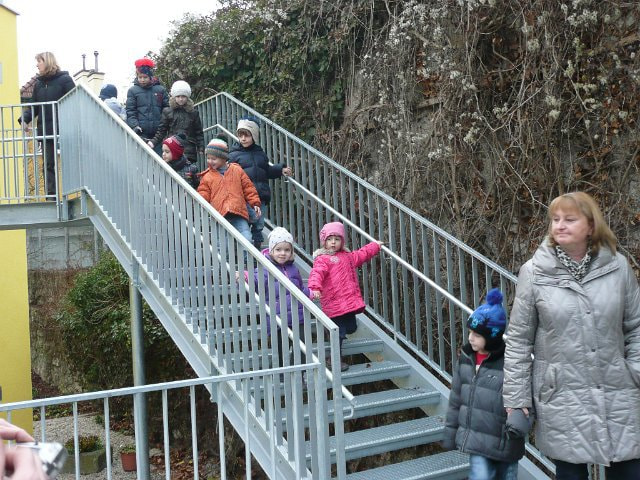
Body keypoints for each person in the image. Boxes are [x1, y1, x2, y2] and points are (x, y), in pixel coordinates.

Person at [503, 191, 640, 480]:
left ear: (591, 226)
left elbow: (636, 327)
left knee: (629, 471)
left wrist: (634, 371)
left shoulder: (618, 267)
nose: (560, 225)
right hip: (562, 397)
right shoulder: (534, 273)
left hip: (618, 393)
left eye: (569, 219)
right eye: (555, 219)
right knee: (571, 474)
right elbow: (519, 341)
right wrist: (517, 399)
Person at [443, 288, 527, 480]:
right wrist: (450, 433)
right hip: (477, 444)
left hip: (506, 443)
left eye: (477, 334)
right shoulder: (466, 359)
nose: (470, 338)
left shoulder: (511, 364)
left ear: (492, 337)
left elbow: (525, 400)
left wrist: (520, 424)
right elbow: (456, 399)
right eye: (470, 332)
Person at [307, 221, 382, 371]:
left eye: (337, 239)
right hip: (333, 303)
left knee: (352, 327)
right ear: (324, 242)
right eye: (329, 239)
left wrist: (375, 246)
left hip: (348, 303)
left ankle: (331, 332)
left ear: (342, 241)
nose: (333, 242)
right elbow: (317, 274)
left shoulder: (347, 257)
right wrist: (315, 288)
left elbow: (362, 254)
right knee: (339, 333)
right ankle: (334, 359)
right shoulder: (323, 259)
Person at [245, 227, 310, 369]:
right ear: (271, 250)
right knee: (281, 350)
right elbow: (256, 281)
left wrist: (309, 293)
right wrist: (246, 276)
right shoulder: (265, 268)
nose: (283, 253)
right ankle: (282, 373)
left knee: (302, 348)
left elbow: (299, 289)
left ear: (291, 252)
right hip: (278, 318)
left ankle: (299, 373)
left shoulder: (293, 269)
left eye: (287, 250)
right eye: (278, 249)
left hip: (297, 316)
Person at [228, 116, 292, 249]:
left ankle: (257, 248)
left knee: (259, 224)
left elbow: (266, 170)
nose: (243, 139)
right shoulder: (234, 155)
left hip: (261, 195)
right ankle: (242, 249)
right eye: (240, 135)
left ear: (254, 136)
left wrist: (280, 170)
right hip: (244, 197)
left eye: (247, 135)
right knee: (244, 224)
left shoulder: (260, 153)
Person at [19, 51, 75, 198]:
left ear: (48, 62)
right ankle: (51, 197)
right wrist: (24, 119)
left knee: (70, 162)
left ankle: (73, 194)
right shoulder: (38, 84)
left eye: (39, 61)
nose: (37, 65)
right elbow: (34, 107)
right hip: (46, 130)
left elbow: (75, 101)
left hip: (64, 129)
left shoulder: (65, 80)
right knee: (48, 164)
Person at [197, 135, 261, 248]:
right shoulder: (207, 176)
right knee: (222, 245)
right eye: (208, 158)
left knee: (246, 239)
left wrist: (255, 203)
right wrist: (199, 199)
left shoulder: (237, 170)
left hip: (238, 213)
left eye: (214, 159)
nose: (210, 161)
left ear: (224, 158)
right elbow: (203, 193)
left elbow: (248, 188)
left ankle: (246, 259)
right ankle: (223, 259)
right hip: (219, 216)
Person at [147, 80, 204, 165]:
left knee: (188, 171)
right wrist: (153, 142)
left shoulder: (193, 113)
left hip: (189, 149)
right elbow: (162, 130)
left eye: (183, 96)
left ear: (187, 97)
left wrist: (201, 147)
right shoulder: (167, 111)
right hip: (172, 148)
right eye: (178, 96)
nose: (181, 99)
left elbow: (198, 131)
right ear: (174, 97)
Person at [125, 58, 169, 155]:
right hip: (141, 133)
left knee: (159, 158)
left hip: (158, 133)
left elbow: (166, 109)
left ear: (150, 76)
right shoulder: (133, 91)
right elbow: (131, 111)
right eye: (140, 77)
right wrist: (135, 126)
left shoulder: (160, 90)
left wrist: (164, 125)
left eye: (145, 77)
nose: (142, 80)